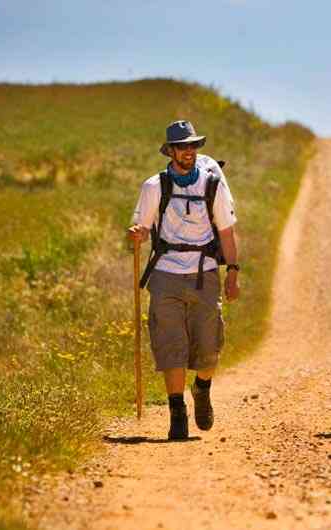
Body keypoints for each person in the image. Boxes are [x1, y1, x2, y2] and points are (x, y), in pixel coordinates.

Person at [127, 120, 240, 440]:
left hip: (204, 273)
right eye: (183, 146)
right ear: (171, 150)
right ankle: (177, 412)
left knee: (209, 348)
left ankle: (202, 388)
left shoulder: (212, 184)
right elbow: (142, 228)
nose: (189, 151)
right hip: (165, 274)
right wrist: (135, 235)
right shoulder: (154, 187)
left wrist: (233, 271)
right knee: (170, 344)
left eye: (193, 146)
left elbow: (227, 232)